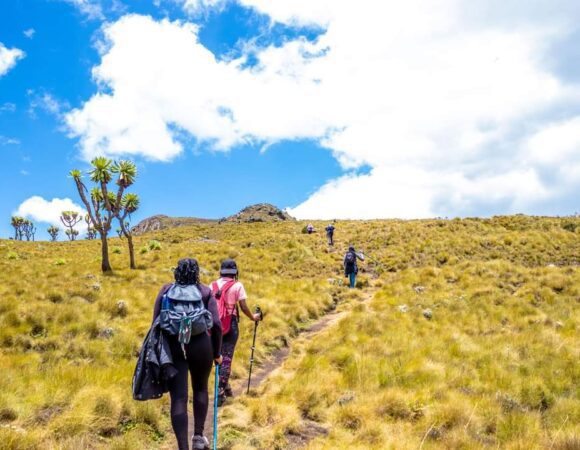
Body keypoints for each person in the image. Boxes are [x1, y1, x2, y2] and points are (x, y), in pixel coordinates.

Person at [152, 258, 222, 450]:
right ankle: (198, 438)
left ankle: (182, 446)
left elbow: (155, 324)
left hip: (174, 348)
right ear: (196, 273)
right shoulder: (205, 292)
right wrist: (217, 353)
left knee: (179, 398)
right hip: (201, 346)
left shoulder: (166, 290)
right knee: (200, 389)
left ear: (177, 272)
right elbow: (216, 325)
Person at [211, 259, 261, 406]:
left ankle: (225, 387)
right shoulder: (237, 285)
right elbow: (243, 307)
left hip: (214, 325)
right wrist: (253, 317)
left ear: (221, 271)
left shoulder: (212, 285)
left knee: (218, 356)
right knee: (227, 358)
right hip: (230, 325)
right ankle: (220, 392)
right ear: (235, 272)